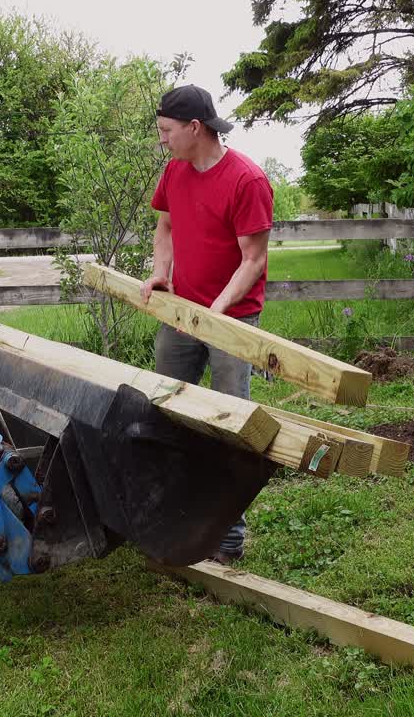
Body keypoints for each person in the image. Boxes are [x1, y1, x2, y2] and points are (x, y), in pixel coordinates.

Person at [141, 84, 273, 565]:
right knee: (167, 410)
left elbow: (253, 260)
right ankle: (175, 517)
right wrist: (161, 272)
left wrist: (214, 313)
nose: (162, 141)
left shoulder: (247, 181)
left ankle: (228, 535)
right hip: (183, 313)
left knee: (229, 424)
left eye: (166, 132)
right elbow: (166, 226)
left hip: (232, 319)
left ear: (194, 128)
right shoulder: (175, 170)